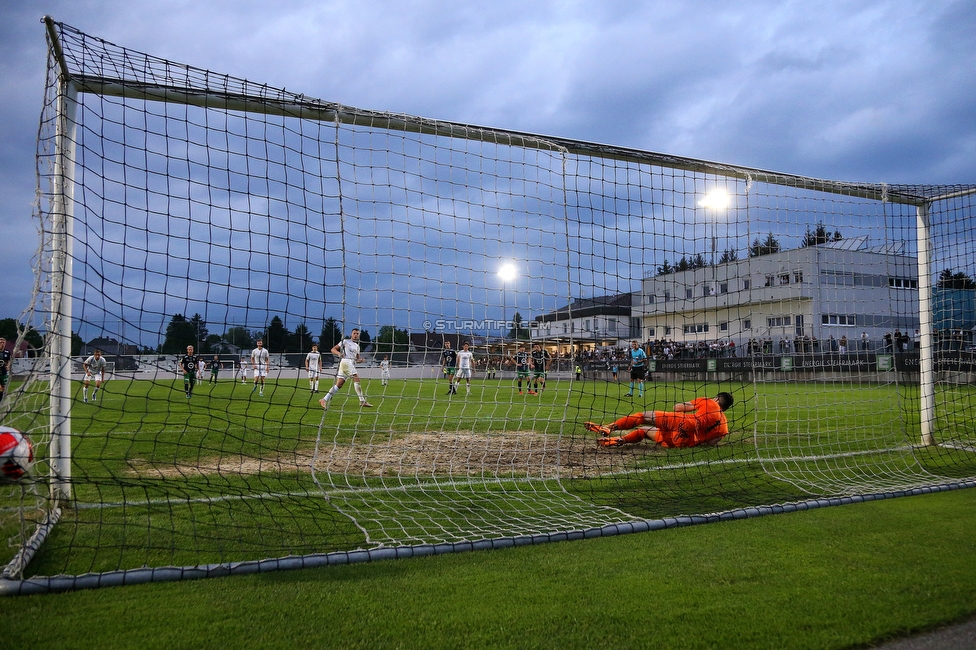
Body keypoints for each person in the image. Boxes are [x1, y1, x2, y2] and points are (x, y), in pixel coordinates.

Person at [586, 392, 734, 448]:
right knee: (644, 431)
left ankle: (609, 428)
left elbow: (678, 408)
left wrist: (697, 404)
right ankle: (618, 440)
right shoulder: (724, 427)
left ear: (717, 399)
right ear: (726, 408)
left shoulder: (710, 401)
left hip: (682, 422)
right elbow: (710, 443)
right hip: (682, 442)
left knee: (643, 417)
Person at [319, 327, 373, 410]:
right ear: (351, 334)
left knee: (339, 384)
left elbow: (357, 360)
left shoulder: (357, 346)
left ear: (359, 335)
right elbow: (333, 349)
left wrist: (361, 360)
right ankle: (362, 401)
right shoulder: (345, 341)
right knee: (357, 379)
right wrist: (338, 353)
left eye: (357, 334)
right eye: (354, 333)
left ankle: (324, 399)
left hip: (349, 364)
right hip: (345, 362)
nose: (355, 335)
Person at [0, 337, 10, 404]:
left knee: (3, 389)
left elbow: (9, 360)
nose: (2, 344)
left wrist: (8, 366)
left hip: (3, 373)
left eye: (3, 342)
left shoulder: (7, 352)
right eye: (0, 342)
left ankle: (1, 401)